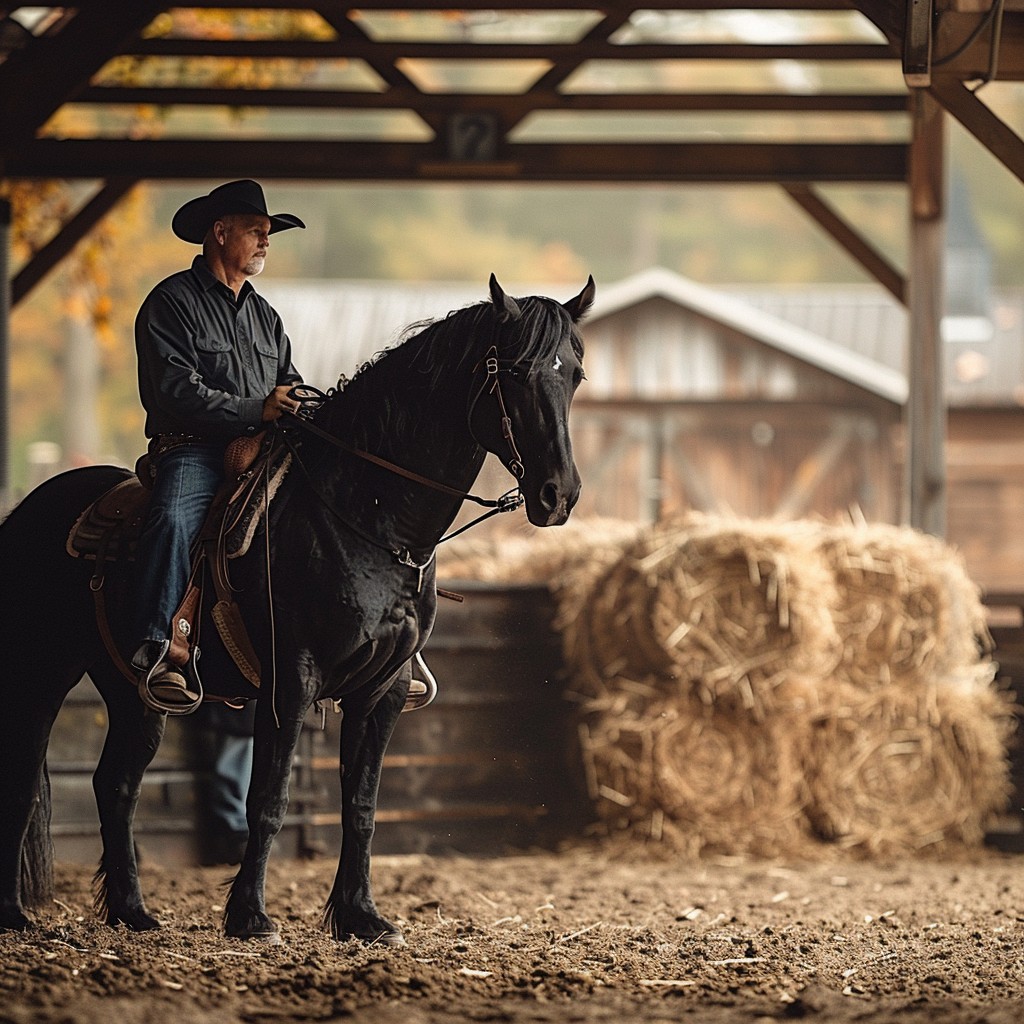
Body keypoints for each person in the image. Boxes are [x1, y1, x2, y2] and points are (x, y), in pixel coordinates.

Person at [130, 179, 306, 714]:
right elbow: (176, 392)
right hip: (193, 449)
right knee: (172, 518)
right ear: (219, 231)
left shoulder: (266, 317)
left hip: (266, 449)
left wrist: (299, 405)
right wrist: (258, 409)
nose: (266, 242)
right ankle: (159, 648)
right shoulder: (170, 304)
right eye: (257, 231)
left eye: (268, 234)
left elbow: (289, 382)